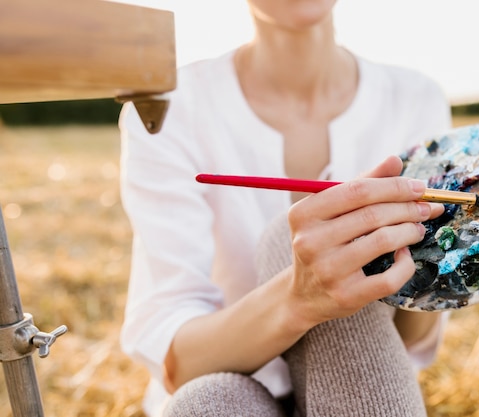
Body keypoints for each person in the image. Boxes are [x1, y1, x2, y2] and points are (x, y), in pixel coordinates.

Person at [118, 1, 451, 415]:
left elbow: (412, 338)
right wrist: (298, 299)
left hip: (359, 381)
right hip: (223, 381)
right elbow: (178, 364)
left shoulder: (415, 98)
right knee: (206, 404)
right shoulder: (169, 110)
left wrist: (432, 272)